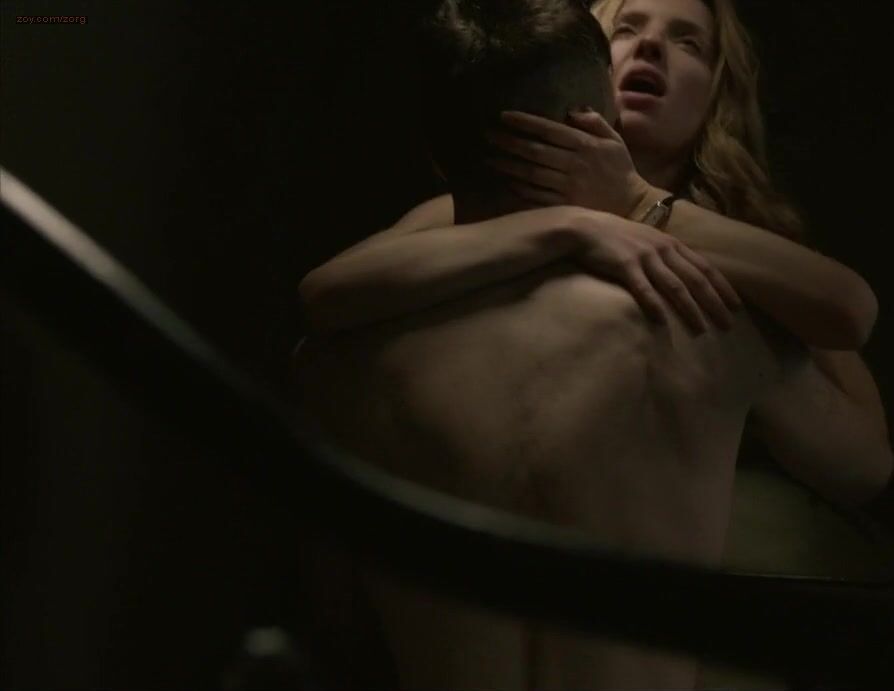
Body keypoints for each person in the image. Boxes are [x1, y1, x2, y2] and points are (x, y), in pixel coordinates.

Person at [292, 0, 892, 688]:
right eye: (628, 28)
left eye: (688, 42)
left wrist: (636, 204)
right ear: (593, 88)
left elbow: (855, 376)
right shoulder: (456, 237)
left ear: (718, 95)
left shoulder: (730, 276)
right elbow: (327, 288)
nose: (651, 48)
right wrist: (576, 226)